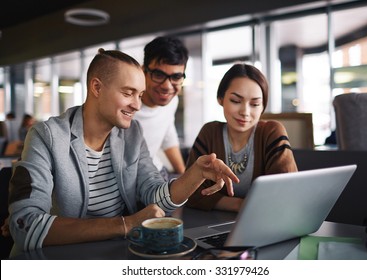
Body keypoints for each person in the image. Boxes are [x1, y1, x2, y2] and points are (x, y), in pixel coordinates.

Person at [6, 48, 238, 253]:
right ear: (96, 87)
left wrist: (194, 175)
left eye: (139, 95)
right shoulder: (46, 136)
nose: (137, 105)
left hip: (116, 252)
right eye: (128, 93)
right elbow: (25, 226)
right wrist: (126, 224)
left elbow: (154, 195)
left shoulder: (132, 133)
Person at [186, 63, 298, 212]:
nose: (245, 112)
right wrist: (239, 205)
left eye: (255, 104)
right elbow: (191, 193)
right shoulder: (210, 132)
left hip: (266, 222)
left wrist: (225, 203)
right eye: (236, 101)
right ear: (220, 99)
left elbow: (287, 192)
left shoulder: (272, 132)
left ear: (263, 106)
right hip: (216, 223)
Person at [134, 36, 188, 179]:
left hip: (156, 172)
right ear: (143, 71)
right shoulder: (126, 107)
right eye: (158, 75)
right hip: (130, 181)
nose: (167, 86)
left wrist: (184, 175)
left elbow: (168, 136)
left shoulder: (172, 101)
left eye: (176, 77)